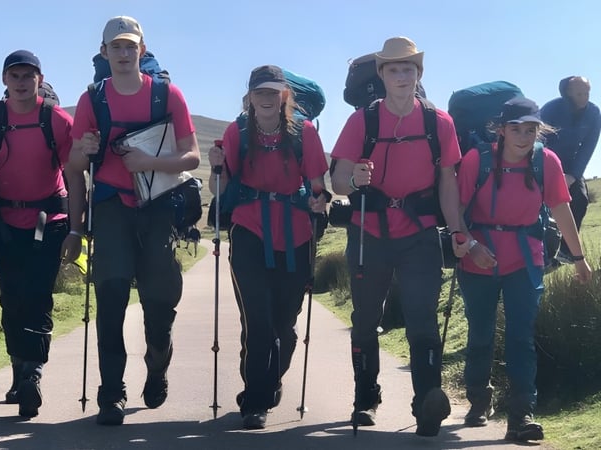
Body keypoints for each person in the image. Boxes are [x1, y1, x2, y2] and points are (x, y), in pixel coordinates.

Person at [63, 15, 200, 426]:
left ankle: (158, 360)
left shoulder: (167, 94)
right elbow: (73, 167)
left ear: (141, 50)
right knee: (111, 299)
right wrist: (83, 149)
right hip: (110, 208)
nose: (124, 53)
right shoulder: (92, 100)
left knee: (159, 302)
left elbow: (191, 155)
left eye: (130, 46)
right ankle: (112, 393)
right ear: (104, 53)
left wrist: (149, 162)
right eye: (116, 47)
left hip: (157, 206)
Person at [329, 36, 464, 437]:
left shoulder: (439, 123)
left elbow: (448, 183)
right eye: (394, 69)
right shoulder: (362, 121)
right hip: (368, 232)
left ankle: (427, 402)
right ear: (382, 75)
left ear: (418, 74)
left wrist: (457, 231)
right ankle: (366, 397)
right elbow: (337, 181)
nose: (402, 75)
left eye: (409, 68)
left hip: (420, 235)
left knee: (423, 317)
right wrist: (353, 178)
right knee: (365, 320)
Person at [454, 97, 592, 442]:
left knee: (521, 337)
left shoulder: (547, 161)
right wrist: (468, 244)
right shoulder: (477, 160)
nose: (523, 136)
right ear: (500, 130)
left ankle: (521, 416)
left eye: (530, 129)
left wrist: (579, 258)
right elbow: (456, 208)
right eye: (516, 128)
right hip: (478, 256)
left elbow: (560, 208)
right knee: (481, 333)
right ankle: (478, 402)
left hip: (525, 259)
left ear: (538, 130)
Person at [207, 65, 328, 430]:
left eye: (273, 91)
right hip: (249, 230)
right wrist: (216, 169)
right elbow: (220, 189)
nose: (266, 98)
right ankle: (255, 400)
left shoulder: (303, 133)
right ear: (250, 96)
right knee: (257, 322)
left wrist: (319, 201)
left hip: (295, 235)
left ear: (284, 96)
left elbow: (318, 185)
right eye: (260, 91)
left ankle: (270, 381)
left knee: (284, 327)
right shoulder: (237, 132)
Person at [0, 50, 73, 418]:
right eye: (14, 75)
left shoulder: (57, 120)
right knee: (12, 298)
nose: (21, 81)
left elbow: (74, 168)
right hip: (6, 222)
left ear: (39, 79)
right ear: (4, 80)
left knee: (38, 295)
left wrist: (77, 226)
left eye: (27, 75)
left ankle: (32, 372)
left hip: (49, 220)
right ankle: (20, 370)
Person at [540, 76, 601, 262]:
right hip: (546, 161)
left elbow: (588, 147)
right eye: (579, 94)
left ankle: (566, 252)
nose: (584, 98)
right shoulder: (551, 109)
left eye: (587, 93)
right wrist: (548, 170)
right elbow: (538, 140)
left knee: (580, 200)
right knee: (541, 206)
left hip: (573, 165)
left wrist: (573, 175)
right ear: (567, 93)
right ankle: (540, 250)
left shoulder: (594, 113)